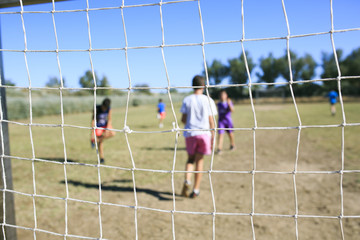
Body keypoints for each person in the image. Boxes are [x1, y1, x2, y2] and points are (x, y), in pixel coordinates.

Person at [180, 75, 217, 198]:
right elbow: (211, 120)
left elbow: (183, 119)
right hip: (204, 134)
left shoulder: (187, 99)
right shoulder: (208, 100)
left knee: (190, 159)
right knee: (199, 161)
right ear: (204, 86)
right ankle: (196, 189)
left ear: (192, 85)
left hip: (190, 133)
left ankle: (187, 180)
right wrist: (213, 135)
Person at [91, 98, 115, 164]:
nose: (104, 109)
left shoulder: (109, 109)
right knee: (101, 143)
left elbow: (109, 120)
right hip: (98, 126)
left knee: (113, 133)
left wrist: (107, 129)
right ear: (102, 105)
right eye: (104, 108)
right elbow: (93, 120)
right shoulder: (97, 108)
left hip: (105, 125)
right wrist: (92, 132)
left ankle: (96, 140)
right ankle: (102, 158)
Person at [216, 90, 235, 154]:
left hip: (228, 121)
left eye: (223, 95)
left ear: (226, 95)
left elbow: (232, 110)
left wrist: (229, 104)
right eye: (221, 95)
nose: (222, 96)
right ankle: (219, 148)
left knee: (230, 134)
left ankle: (232, 144)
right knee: (220, 134)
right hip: (221, 121)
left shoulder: (229, 102)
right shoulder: (218, 104)